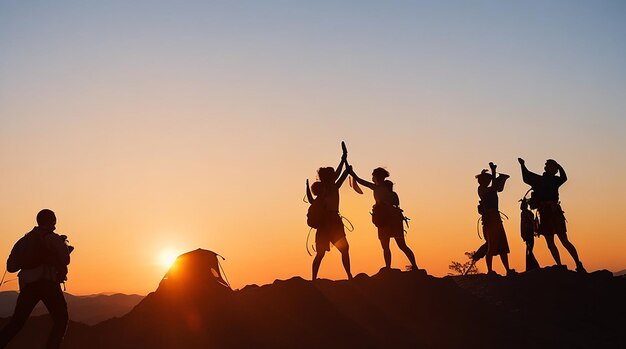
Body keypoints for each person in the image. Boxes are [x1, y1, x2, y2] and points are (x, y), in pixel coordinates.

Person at [0, 209, 71, 349]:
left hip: (28, 287)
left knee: (17, 323)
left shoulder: (23, 241)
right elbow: (65, 259)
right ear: (52, 221)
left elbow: (11, 267)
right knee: (61, 319)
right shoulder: (53, 238)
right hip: (49, 284)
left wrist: (28, 263)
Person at [518, 158, 586, 272]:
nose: (555, 171)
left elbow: (526, 177)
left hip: (549, 213)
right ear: (552, 169)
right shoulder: (551, 180)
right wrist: (523, 165)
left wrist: (523, 166)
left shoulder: (543, 180)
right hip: (549, 213)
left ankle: (566, 264)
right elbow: (564, 178)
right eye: (554, 168)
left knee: (556, 242)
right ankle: (574, 264)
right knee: (560, 241)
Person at [350, 167, 418, 270]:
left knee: (385, 246)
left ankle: (388, 267)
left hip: (384, 220)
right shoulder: (392, 192)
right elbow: (396, 203)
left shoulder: (377, 188)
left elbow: (360, 181)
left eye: (373, 176)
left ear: (376, 177)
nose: (372, 177)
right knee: (402, 245)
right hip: (395, 219)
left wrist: (351, 172)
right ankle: (414, 266)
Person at [310, 153, 353, 280]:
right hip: (333, 222)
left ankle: (314, 278)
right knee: (343, 249)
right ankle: (349, 275)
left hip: (326, 224)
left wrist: (344, 161)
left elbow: (341, 174)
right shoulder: (330, 188)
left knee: (321, 253)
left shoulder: (322, 190)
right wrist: (343, 160)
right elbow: (341, 174)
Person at [476, 162, 514, 276]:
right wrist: (493, 171)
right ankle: (490, 270)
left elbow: (495, 187)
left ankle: (507, 269)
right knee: (491, 246)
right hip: (491, 219)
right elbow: (494, 187)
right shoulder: (481, 189)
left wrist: (493, 173)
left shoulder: (487, 189)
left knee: (502, 246)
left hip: (495, 218)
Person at [520, 199, 540, 271]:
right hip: (528, 233)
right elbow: (532, 222)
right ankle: (532, 266)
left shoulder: (524, 213)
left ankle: (530, 266)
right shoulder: (527, 213)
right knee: (529, 249)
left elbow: (523, 225)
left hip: (527, 233)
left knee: (529, 249)